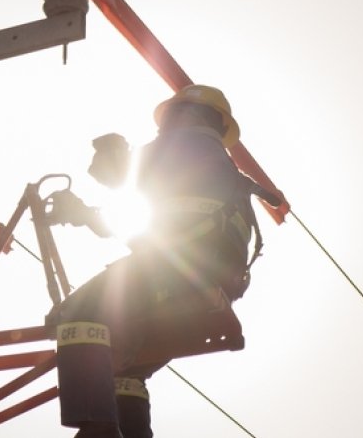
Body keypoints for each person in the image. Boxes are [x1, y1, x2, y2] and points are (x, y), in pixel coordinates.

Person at [49, 85, 259, 438]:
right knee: (128, 373)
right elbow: (152, 220)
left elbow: (121, 176)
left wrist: (105, 170)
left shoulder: (183, 145)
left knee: (77, 314)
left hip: (176, 272)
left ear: (194, 116)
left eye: (173, 116)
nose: (164, 126)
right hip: (206, 279)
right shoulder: (221, 168)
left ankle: (96, 428)